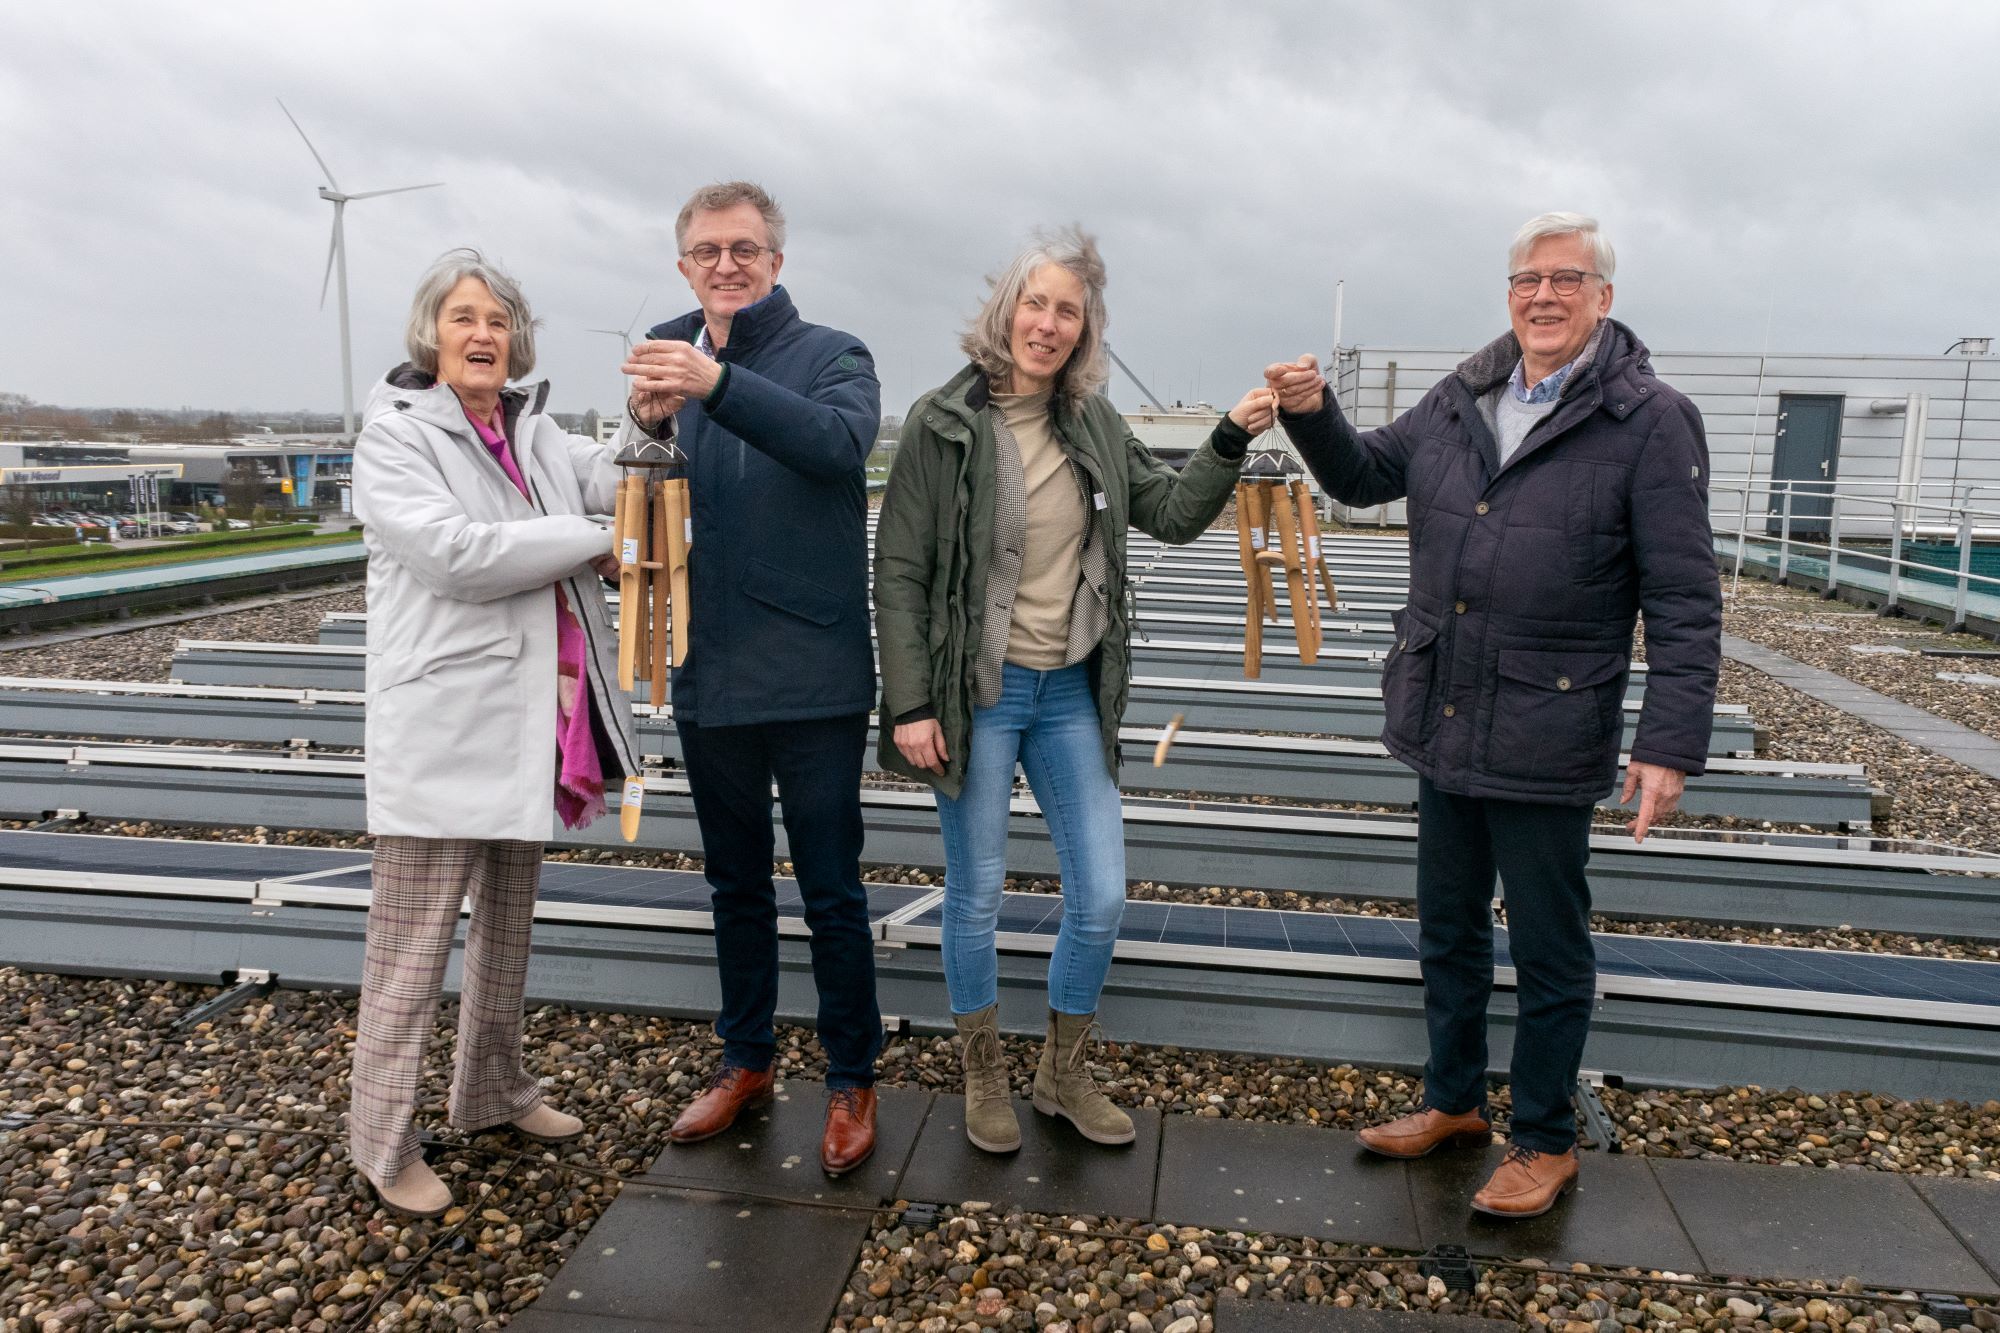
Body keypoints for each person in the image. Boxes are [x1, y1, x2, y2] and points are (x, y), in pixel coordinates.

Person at [1266, 212, 1722, 1218]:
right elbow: (1357, 476)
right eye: (1527, 279)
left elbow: (1683, 595)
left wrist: (1667, 740)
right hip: (1444, 710)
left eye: (1567, 280)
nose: (1544, 296)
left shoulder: (1647, 419)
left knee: (1550, 944)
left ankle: (1545, 1137)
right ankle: (1452, 1101)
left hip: (1547, 724)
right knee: (1447, 924)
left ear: (1602, 298)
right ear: (1507, 294)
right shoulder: (1461, 395)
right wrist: (1310, 410)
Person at [873, 228, 1263, 1154]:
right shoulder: (942, 423)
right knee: (975, 893)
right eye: (1035, 303)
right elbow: (900, 570)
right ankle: (983, 1071)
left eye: (1068, 312)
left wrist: (1229, 438)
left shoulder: (1092, 423)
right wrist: (910, 701)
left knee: (1102, 894)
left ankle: (1061, 1068)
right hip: (980, 692)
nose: (1047, 325)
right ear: (1006, 307)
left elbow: (1167, 514)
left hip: (1068, 690)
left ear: (1086, 331)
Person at [348, 249, 645, 1218]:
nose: (483, 335)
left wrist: (649, 424)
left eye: (498, 321)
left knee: (506, 934)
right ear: (431, 333)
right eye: (464, 318)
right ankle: (381, 1139)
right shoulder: (396, 438)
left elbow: (602, 481)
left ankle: (491, 1092)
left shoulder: (531, 429)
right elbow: (458, 555)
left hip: (527, 721)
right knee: (410, 948)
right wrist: (605, 541)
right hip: (445, 724)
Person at [620, 181, 885, 1175]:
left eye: (742, 249)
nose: (723, 265)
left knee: (829, 891)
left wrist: (714, 384)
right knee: (732, 880)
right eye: (703, 251)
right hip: (706, 660)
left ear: (776, 260)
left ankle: (851, 1073)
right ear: (682, 262)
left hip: (812, 669)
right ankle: (746, 1058)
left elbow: (836, 446)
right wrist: (646, 428)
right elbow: (647, 479)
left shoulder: (835, 354)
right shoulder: (666, 344)